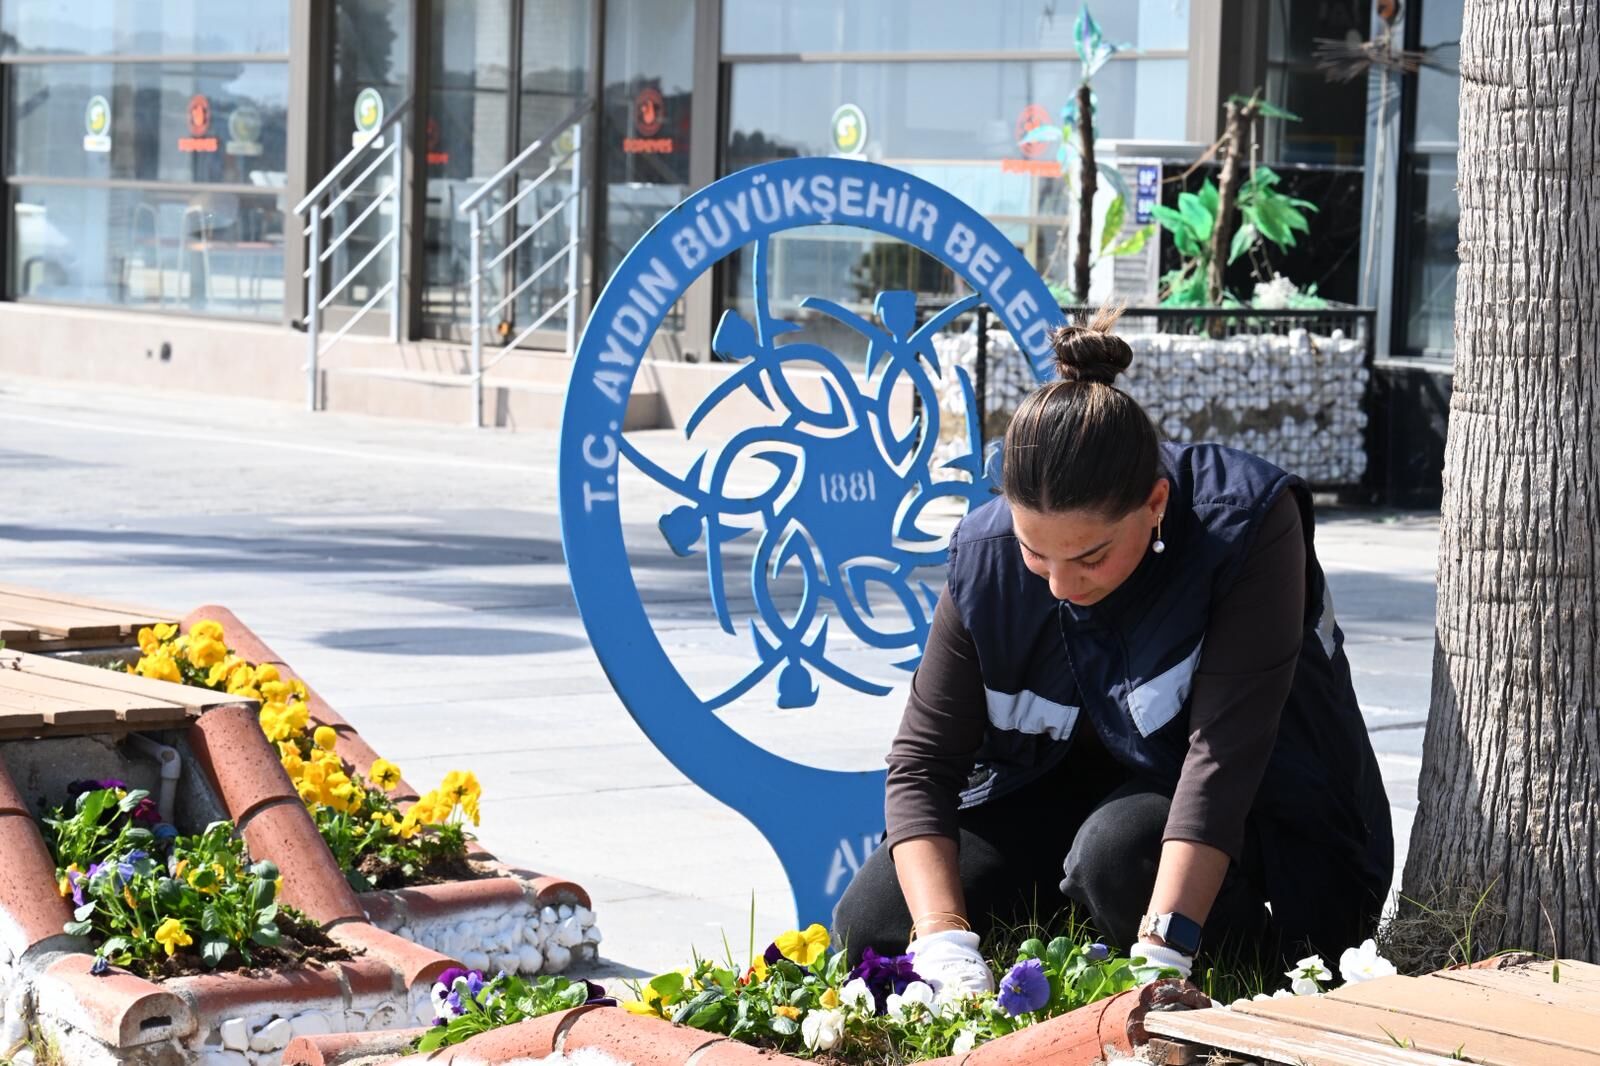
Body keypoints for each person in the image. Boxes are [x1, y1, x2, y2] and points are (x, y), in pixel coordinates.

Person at [831, 308, 1393, 994]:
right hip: (1063, 798)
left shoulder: (1247, 528)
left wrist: (1165, 949)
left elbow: (1223, 759)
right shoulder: (988, 557)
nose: (1063, 585)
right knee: (876, 922)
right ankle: (1059, 956)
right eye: (1036, 553)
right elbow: (921, 766)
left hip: (1262, 820)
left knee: (1120, 854)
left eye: (1091, 556)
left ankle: (1249, 973)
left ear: (1155, 503)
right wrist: (944, 937)